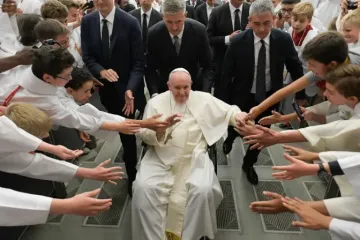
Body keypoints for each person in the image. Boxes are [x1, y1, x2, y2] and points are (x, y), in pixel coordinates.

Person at [132, 68, 247, 240]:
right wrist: (159, 130)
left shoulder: (203, 99)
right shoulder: (155, 104)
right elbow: (143, 133)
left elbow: (229, 111)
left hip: (194, 157)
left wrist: (239, 116)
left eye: (186, 87)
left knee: (203, 190)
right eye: (177, 88)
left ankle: (190, 236)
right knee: (143, 188)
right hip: (161, 156)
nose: (182, 92)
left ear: (191, 85)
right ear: (168, 86)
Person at [221, 0, 304, 185]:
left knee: (262, 134)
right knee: (236, 125)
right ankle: (231, 137)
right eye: (256, 24)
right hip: (242, 95)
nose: (261, 29)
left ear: (274, 19)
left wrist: (301, 95)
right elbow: (226, 74)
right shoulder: (238, 41)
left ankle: (249, 163)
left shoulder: (283, 40)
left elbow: (295, 67)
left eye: (267, 23)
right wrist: (224, 104)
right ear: (249, 20)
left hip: (269, 96)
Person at [81, 0, 146, 195]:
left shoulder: (130, 22)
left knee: (129, 134)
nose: (100, 1)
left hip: (129, 91)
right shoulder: (88, 21)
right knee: (120, 130)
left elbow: (138, 63)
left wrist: (131, 89)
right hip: (107, 91)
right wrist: (101, 71)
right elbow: (88, 57)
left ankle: (133, 175)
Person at [242, 64, 360, 152]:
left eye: (330, 92)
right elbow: (328, 113)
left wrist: (278, 137)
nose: (324, 94)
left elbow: (333, 129)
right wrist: (283, 118)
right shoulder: (349, 96)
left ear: (352, 99)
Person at [248, 31, 360, 121]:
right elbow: (290, 88)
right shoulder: (329, 66)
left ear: (332, 65)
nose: (309, 69)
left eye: (312, 65)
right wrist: (259, 109)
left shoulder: (353, 76)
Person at [145, 0, 214, 95]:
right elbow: (150, 68)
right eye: (169, 22)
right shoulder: (153, 34)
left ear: (185, 15)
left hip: (194, 88)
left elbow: (208, 66)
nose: (174, 27)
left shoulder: (199, 30)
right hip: (165, 89)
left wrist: (206, 92)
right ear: (162, 16)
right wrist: (154, 93)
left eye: (178, 21)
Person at [207, 0, 250, 99]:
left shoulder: (251, 10)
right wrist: (228, 38)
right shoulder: (217, 12)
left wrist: (251, 31)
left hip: (246, 66)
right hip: (222, 66)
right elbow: (208, 38)